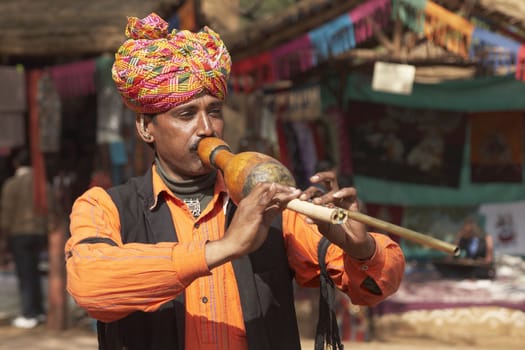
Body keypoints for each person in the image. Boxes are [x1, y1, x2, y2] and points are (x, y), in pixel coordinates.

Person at [65, 13, 405, 350]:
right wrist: (224, 248)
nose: (206, 129)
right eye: (186, 115)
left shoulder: (267, 203)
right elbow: (89, 285)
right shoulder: (104, 205)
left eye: (214, 111)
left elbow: (374, 288)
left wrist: (360, 248)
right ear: (145, 128)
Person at [0, 147, 48, 329]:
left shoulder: (11, 184)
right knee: (34, 272)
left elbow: (6, 215)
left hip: (19, 234)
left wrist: (3, 240)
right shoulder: (41, 183)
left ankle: (29, 313)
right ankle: (39, 310)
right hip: (38, 232)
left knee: (25, 274)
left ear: (15, 163)